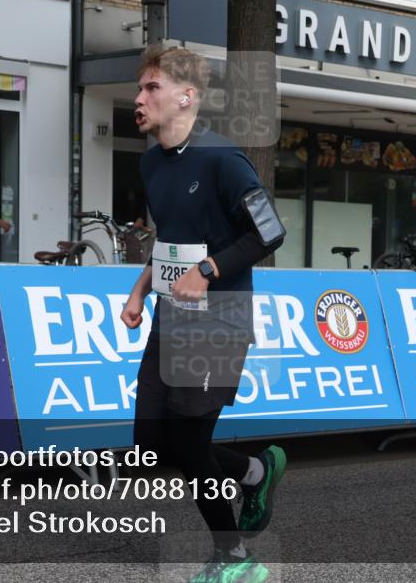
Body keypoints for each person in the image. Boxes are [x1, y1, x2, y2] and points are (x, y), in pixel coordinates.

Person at [119, 46, 287, 583]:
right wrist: (141, 288)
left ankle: (234, 558)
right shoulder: (150, 162)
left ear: (186, 96)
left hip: (219, 322)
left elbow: (270, 231)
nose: (139, 98)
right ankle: (255, 471)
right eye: (140, 88)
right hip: (171, 320)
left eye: (151, 88)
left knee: (189, 445)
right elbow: (170, 239)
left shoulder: (223, 159)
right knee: (151, 441)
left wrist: (210, 270)